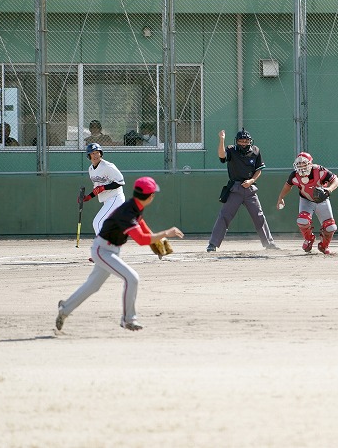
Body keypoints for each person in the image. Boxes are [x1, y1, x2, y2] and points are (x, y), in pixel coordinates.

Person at [56, 177, 184, 332]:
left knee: (92, 286)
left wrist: (156, 239)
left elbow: (141, 224)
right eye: (153, 193)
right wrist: (165, 233)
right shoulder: (127, 212)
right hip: (102, 250)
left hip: (110, 250)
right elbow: (141, 239)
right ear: (150, 196)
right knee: (132, 278)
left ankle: (64, 309)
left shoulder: (135, 206)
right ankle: (128, 319)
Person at [207, 128, 278, 252]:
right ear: (237, 141)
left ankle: (269, 243)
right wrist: (222, 140)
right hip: (235, 188)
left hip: (250, 188)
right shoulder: (231, 150)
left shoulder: (255, 151)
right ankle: (213, 244)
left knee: (259, 216)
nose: (244, 143)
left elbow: (259, 170)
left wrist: (251, 181)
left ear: (250, 141)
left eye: (246, 141)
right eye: (241, 141)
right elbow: (222, 155)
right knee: (224, 216)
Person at [276, 152, 338, 254]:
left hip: (322, 200)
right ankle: (309, 238)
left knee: (330, 227)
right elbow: (288, 186)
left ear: (310, 164)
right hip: (306, 200)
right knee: (302, 220)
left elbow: (336, 180)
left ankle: (324, 245)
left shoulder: (320, 170)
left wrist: (329, 189)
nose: (301, 168)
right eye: (299, 165)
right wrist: (281, 197)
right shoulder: (294, 175)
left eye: (304, 164)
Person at [82, 143, 126, 235]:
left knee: (97, 222)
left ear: (101, 154)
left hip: (115, 198)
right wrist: (88, 197)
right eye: (92, 153)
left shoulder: (107, 166)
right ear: (89, 156)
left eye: (97, 152)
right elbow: (97, 188)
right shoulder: (91, 169)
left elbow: (120, 182)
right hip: (107, 200)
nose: (95, 155)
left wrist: (104, 187)